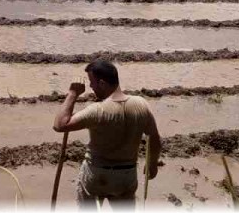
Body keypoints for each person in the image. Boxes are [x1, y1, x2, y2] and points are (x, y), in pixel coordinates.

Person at [52, 59, 162, 209]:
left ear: (102, 83)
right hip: (126, 174)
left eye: (92, 82)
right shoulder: (141, 105)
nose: (90, 87)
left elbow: (60, 125)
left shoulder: (97, 110)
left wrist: (72, 94)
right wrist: (152, 163)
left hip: (97, 173)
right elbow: (154, 137)